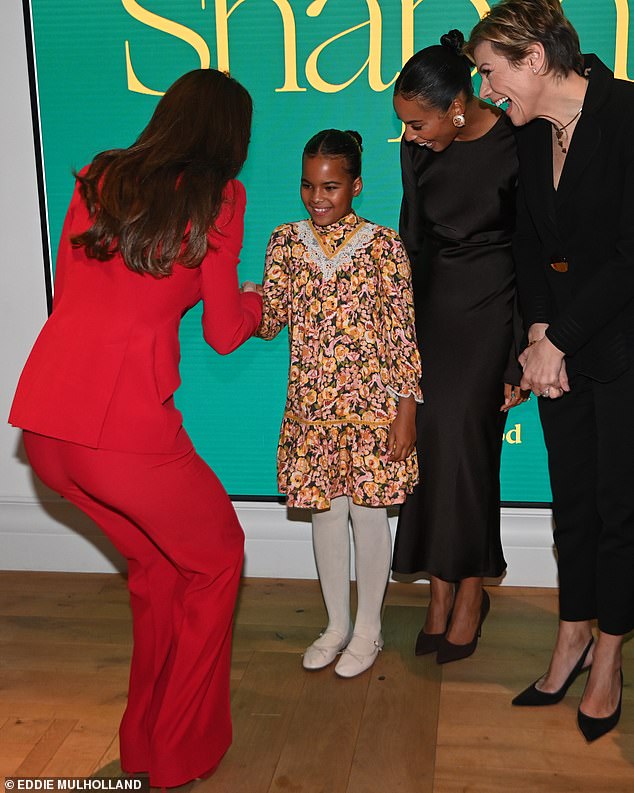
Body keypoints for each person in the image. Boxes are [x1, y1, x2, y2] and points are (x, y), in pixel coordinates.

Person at [8, 69, 263, 785]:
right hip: (122, 428)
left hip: (46, 421)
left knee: (157, 569)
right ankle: (177, 751)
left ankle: (144, 745)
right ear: (229, 137)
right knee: (217, 558)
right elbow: (220, 331)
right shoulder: (221, 197)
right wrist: (256, 305)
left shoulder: (101, 176)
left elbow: (79, 290)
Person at [466, 0, 634, 741]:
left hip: (622, 348)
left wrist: (554, 340)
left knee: (621, 510)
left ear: (535, 58)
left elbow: (631, 255)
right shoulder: (530, 133)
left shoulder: (629, 114)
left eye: (492, 73)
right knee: (574, 505)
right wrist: (537, 331)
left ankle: (608, 655)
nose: (488, 92)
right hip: (558, 353)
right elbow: (529, 240)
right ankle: (571, 631)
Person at [256, 129, 422, 678]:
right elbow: (271, 319)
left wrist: (406, 408)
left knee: (370, 518)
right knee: (325, 515)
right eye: (308, 186)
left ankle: (369, 628)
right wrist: (235, 297)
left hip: (373, 406)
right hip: (311, 406)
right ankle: (335, 624)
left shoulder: (383, 245)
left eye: (330, 186)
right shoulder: (284, 241)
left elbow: (401, 333)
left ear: (356, 185)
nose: (317, 197)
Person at [391, 30, 525, 664]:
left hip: (493, 312)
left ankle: (469, 593)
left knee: (468, 455)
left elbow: (534, 252)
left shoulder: (514, 143)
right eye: (405, 125)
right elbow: (411, 240)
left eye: (419, 123)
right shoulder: (417, 149)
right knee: (434, 453)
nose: (411, 135)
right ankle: (439, 593)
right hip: (431, 314)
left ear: (457, 108)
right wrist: (400, 336)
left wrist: (516, 353)